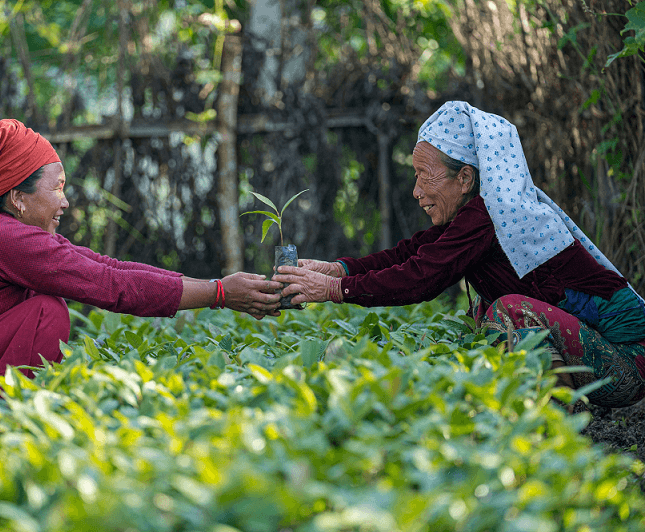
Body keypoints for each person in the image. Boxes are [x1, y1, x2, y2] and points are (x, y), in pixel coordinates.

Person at [0, 118, 283, 476]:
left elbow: (108, 267)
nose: (65, 201)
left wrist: (218, 286)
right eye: (58, 188)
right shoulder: (2, 238)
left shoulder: (3, 233)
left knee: (47, 309)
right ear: (18, 197)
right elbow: (110, 287)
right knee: (46, 315)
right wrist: (219, 294)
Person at [274, 100, 645, 410]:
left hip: (629, 364)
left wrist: (334, 290)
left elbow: (422, 276)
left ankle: (557, 426)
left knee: (510, 311)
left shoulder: (488, 217)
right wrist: (338, 269)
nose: (417, 191)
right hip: (606, 359)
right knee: (483, 317)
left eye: (424, 176)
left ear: (465, 179)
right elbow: (414, 252)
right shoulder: (482, 213)